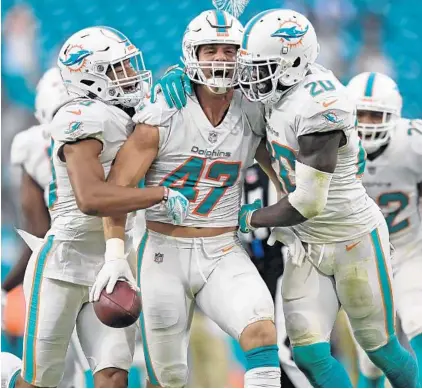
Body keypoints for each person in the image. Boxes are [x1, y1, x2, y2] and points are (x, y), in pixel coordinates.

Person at [94, 10, 281, 388]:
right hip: (165, 253)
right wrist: (115, 253)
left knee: (261, 331)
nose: (220, 59)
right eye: (210, 49)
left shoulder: (252, 109)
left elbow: (282, 169)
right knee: (168, 378)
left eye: (229, 50)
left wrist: (293, 210)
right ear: (190, 53)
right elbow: (117, 189)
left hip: (223, 250)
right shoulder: (164, 111)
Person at [236, 9, 419, 388]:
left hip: (352, 239)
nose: (253, 78)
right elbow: (266, 150)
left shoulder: (321, 102)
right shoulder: (278, 92)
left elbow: (308, 204)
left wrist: (252, 217)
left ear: (293, 63)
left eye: (263, 67)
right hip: (307, 243)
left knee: (379, 349)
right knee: (307, 352)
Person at [2, 26, 189, 388]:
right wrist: (159, 195)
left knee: (114, 377)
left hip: (112, 262)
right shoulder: (80, 117)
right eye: (119, 69)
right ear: (90, 77)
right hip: (62, 266)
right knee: (40, 381)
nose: (131, 75)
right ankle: (7, 376)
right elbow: (91, 199)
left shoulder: (132, 112)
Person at [346, 71, 422, 387]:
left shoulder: (413, 143)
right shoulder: (327, 145)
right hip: (360, 259)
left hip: (408, 249)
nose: (366, 123)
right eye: (359, 114)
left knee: (418, 319)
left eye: (375, 115)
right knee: (372, 358)